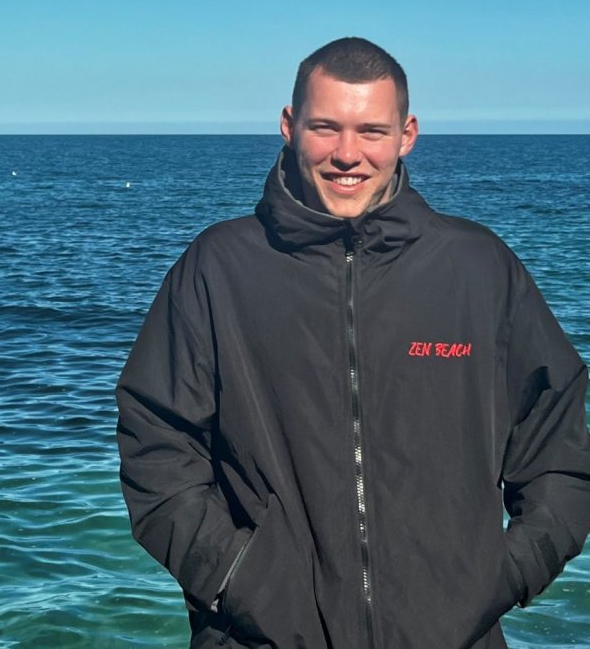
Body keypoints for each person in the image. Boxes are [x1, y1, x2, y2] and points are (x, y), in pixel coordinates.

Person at [116, 37, 590, 649]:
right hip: (258, 638)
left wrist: (501, 576)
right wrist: (240, 579)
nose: (347, 154)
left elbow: (559, 449)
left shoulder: (479, 268)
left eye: (371, 130)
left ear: (407, 134)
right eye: (325, 127)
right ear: (289, 127)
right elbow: (157, 446)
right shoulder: (218, 267)